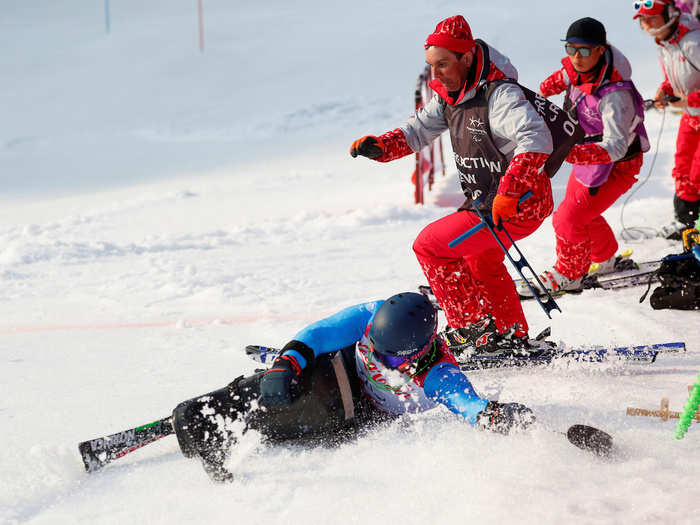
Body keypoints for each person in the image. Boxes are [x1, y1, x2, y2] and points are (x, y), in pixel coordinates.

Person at [349, 15, 581, 357]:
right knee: (481, 261)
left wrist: (510, 191)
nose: (436, 74)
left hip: (516, 202)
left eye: (443, 64)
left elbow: (536, 140)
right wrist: (382, 147)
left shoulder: (500, 94)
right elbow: (417, 132)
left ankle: (474, 334)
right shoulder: (450, 96)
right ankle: (509, 335)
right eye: (431, 65)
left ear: (467, 57)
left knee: (430, 246)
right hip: (490, 202)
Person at [171, 292, 535, 481]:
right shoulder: (372, 314)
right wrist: (286, 364)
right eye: (374, 349)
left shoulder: (439, 373)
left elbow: (466, 403)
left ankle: (249, 424)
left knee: (312, 408)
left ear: (419, 352)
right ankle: (208, 412)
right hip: (341, 367)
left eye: (390, 360)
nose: (380, 361)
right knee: (292, 380)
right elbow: (319, 333)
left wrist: (493, 416)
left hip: (359, 411)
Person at [517, 18, 650, 297]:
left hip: (618, 165)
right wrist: (537, 97)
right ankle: (605, 258)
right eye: (570, 49)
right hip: (589, 159)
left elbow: (616, 148)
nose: (576, 57)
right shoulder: (579, 68)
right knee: (578, 211)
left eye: (585, 50)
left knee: (567, 217)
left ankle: (570, 273)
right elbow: (552, 83)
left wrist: (570, 152)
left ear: (601, 50)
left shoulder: (616, 96)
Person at [635, 0, 700, 239]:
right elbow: (676, 78)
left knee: (697, 175)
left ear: (670, 14)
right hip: (691, 119)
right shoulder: (665, 44)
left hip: (694, 111)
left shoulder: (694, 42)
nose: (646, 24)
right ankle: (687, 223)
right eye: (643, 19)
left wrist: (689, 100)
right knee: (682, 173)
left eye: (652, 17)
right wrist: (665, 90)